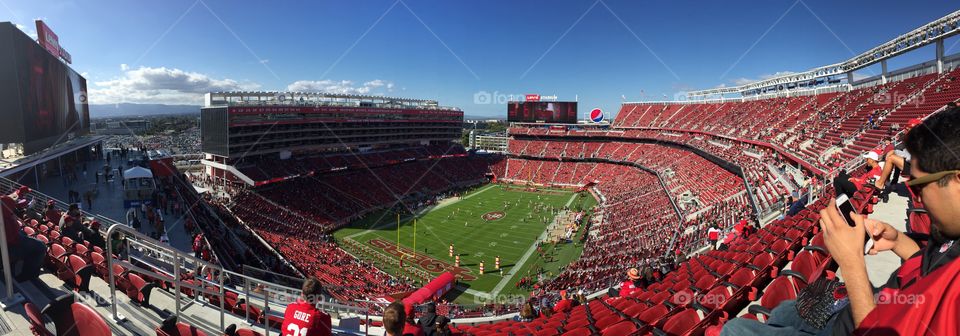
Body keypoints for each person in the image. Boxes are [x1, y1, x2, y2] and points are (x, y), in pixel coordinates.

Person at [720, 106, 960, 335]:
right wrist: (898, 241)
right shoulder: (951, 237)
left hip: (862, 321)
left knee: (733, 329)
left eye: (918, 187)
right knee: (783, 311)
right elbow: (929, 266)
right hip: (868, 307)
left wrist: (851, 263)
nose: (914, 197)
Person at [1, 195, 47, 281]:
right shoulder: (5, 220)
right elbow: (12, 239)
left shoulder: (5, 215)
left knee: (25, 234)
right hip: (10, 247)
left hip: (11, 242)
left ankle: (13, 267)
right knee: (41, 247)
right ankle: (27, 275)